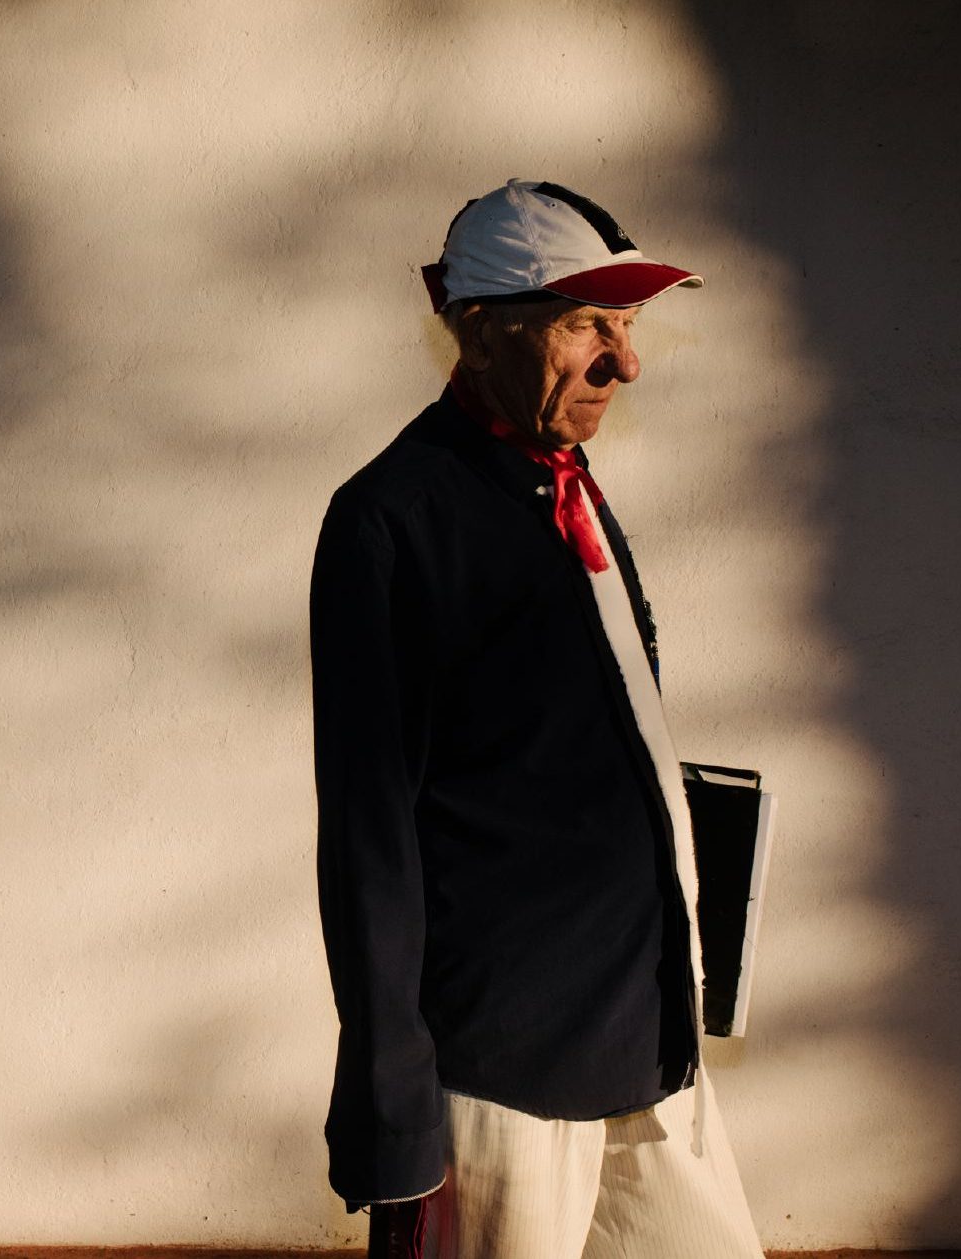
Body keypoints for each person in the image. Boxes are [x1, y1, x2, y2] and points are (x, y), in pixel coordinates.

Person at [310, 180, 765, 1258]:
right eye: (585, 325)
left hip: (648, 1045)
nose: (625, 363)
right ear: (479, 333)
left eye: (627, 325)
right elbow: (369, 837)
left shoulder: (565, 483)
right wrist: (395, 1112)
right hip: (501, 1081)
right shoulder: (390, 520)